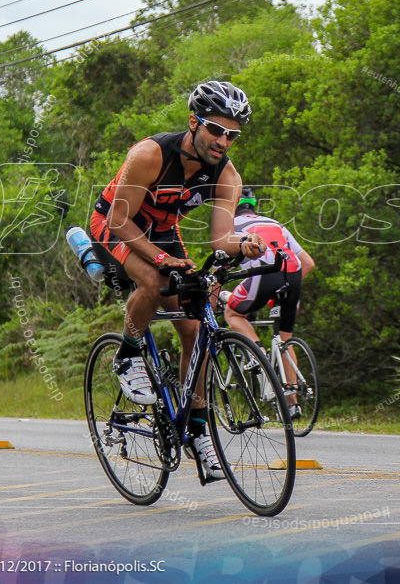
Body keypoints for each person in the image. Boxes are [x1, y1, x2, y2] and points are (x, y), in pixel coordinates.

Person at [89, 80, 267, 480]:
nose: (223, 140)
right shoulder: (150, 154)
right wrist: (162, 259)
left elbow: (221, 238)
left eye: (232, 134)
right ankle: (129, 354)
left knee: (197, 326)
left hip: (165, 232)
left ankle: (198, 430)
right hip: (114, 224)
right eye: (216, 129)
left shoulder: (227, 176)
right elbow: (118, 220)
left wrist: (245, 243)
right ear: (194, 122)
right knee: (153, 280)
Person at [223, 188, 315, 419]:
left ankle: (259, 354)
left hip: (264, 274)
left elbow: (219, 269)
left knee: (233, 315)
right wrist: (282, 290)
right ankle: (292, 403)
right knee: (285, 338)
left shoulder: (228, 227)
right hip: (292, 276)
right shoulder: (275, 223)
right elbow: (309, 263)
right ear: (253, 205)